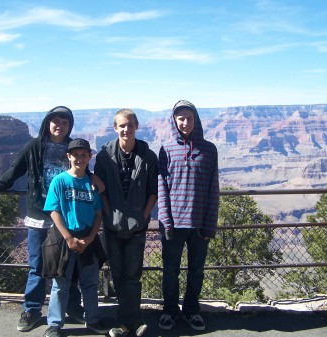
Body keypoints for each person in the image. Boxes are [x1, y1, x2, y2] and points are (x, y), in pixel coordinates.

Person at [0, 106, 101, 332]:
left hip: (67, 218)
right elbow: (15, 169)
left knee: (70, 267)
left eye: (65, 122)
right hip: (39, 216)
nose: (60, 125)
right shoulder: (34, 146)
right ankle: (32, 309)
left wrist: (94, 178)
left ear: (70, 126)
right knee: (36, 267)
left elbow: (82, 169)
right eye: (55, 121)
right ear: (47, 123)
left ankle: (72, 306)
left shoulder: (71, 147)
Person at [94, 109, 158, 337]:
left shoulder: (148, 157)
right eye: (122, 125)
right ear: (115, 128)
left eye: (130, 125)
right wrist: (109, 214)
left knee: (132, 275)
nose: (126, 129)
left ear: (136, 126)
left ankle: (131, 321)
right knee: (118, 274)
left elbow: (153, 191)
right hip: (112, 228)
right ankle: (128, 321)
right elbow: (99, 189)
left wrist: (144, 215)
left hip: (137, 228)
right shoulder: (103, 157)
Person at [157, 100, 219, 332]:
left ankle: (192, 311)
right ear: (174, 121)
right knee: (170, 271)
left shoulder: (209, 149)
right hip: (173, 224)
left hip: (200, 225)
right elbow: (161, 187)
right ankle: (169, 311)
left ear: (196, 120)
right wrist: (166, 221)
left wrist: (210, 224)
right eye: (180, 118)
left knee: (197, 271)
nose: (185, 123)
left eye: (189, 118)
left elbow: (214, 187)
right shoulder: (166, 149)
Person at [42, 138, 108, 337]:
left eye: (83, 155)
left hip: (87, 238)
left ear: (89, 157)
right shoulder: (60, 181)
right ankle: (54, 325)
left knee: (90, 283)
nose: (79, 158)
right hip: (64, 239)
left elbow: (98, 214)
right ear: (68, 157)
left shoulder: (91, 184)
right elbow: (53, 211)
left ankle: (93, 320)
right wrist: (69, 238)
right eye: (75, 155)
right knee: (60, 284)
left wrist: (89, 239)